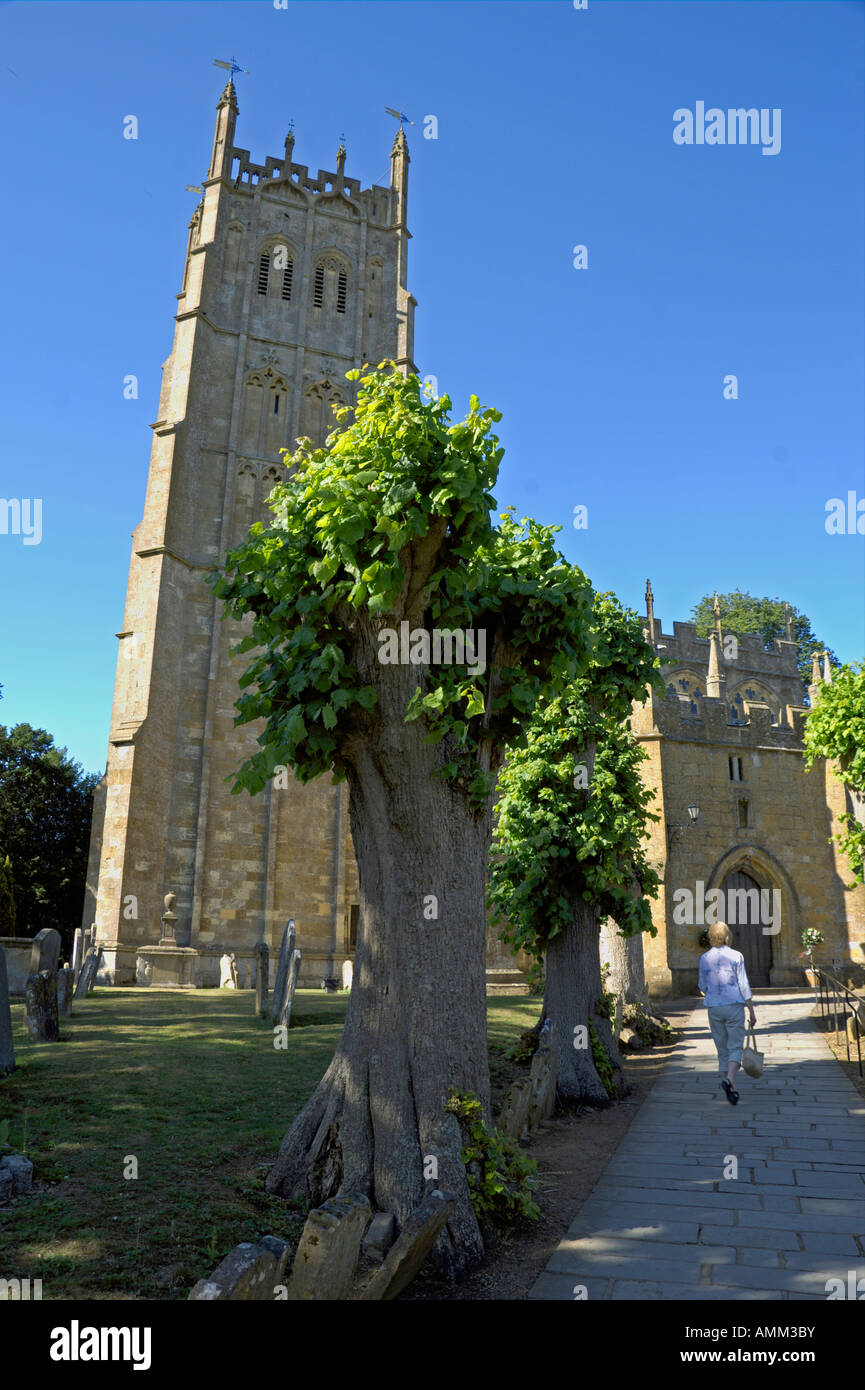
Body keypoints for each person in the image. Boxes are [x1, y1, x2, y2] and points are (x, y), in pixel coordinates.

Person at [698, 921, 756, 1105]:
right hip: (734, 1006)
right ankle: (730, 1080)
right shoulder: (736, 956)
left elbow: (702, 985)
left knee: (722, 1047)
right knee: (735, 1046)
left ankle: (733, 1088)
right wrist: (751, 1010)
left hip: (714, 1007)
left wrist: (712, 992)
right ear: (727, 936)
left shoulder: (704, 958)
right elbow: (743, 984)